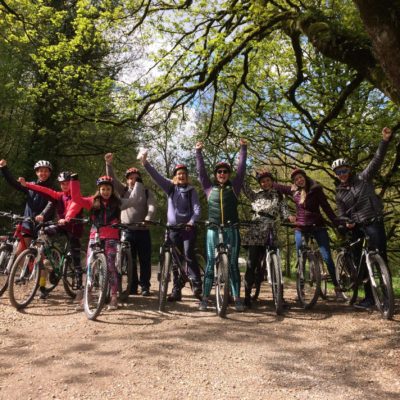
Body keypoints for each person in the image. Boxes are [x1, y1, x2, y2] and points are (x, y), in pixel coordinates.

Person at [332, 126, 393, 309]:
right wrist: (347, 222)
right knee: (361, 262)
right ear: (336, 175)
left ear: (349, 170)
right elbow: (341, 214)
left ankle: (387, 296)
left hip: (374, 222)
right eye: (338, 172)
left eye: (344, 170)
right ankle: (369, 298)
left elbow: (376, 160)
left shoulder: (363, 178)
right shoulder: (339, 194)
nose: (342, 174)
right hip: (356, 227)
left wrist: (384, 141)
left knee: (381, 256)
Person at [69, 174, 145, 310]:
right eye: (103, 189)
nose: (105, 192)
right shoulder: (92, 201)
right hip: (95, 236)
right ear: (99, 189)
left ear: (112, 190)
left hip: (111, 237)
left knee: (110, 267)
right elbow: (76, 198)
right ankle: (89, 295)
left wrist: (138, 183)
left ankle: (114, 296)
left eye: (108, 189)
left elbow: (133, 200)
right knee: (90, 266)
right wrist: (74, 181)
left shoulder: (118, 202)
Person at [273, 168, 346, 300]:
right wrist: (265, 179)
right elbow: (278, 186)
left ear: (305, 177)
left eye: (300, 177)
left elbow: (326, 207)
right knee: (300, 256)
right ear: (294, 182)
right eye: (296, 179)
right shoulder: (293, 191)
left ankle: (337, 288)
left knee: (327, 257)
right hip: (301, 227)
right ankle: (300, 290)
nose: (299, 180)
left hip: (317, 226)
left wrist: (337, 223)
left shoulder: (316, 189)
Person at [140, 153, 202, 302]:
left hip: (187, 228)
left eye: (184, 174)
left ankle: (197, 283)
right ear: (175, 176)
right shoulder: (171, 188)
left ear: (187, 177)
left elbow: (197, 208)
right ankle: (176, 290)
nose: (181, 176)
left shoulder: (192, 190)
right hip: (173, 229)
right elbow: (156, 176)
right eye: (179, 174)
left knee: (188, 253)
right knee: (176, 260)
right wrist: (145, 163)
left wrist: (192, 222)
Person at [18, 171, 85, 305]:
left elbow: (73, 208)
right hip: (61, 225)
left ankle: (80, 290)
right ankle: (49, 260)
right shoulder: (59, 196)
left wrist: (67, 219)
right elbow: (44, 190)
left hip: (73, 227)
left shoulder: (76, 196)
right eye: (62, 184)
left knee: (76, 256)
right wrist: (28, 185)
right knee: (44, 232)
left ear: (72, 184)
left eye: (67, 184)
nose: (64, 186)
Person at [196, 139, 247, 312]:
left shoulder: (235, 187)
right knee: (211, 263)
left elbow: (241, 170)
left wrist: (243, 148)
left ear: (228, 174)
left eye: (225, 171)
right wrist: (198, 153)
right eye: (219, 172)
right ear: (216, 174)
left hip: (232, 229)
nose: (222, 174)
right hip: (213, 228)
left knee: (232, 264)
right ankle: (204, 298)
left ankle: (237, 298)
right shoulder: (209, 189)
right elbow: (201, 173)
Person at [0, 159, 54, 299]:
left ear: (49, 173)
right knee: (19, 252)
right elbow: (13, 183)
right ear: (36, 172)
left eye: (46, 171)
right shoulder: (30, 185)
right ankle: (27, 269)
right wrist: (4, 168)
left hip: (42, 225)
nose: (43, 173)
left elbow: (51, 204)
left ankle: (42, 287)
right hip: (28, 223)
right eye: (40, 171)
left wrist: (43, 215)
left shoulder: (52, 189)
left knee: (41, 259)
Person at [105, 153, 157, 296]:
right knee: (129, 261)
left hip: (143, 230)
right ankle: (132, 287)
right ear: (127, 180)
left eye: (136, 178)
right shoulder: (122, 191)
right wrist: (108, 164)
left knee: (145, 260)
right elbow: (112, 181)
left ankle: (145, 286)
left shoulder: (146, 192)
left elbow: (152, 206)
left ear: (139, 179)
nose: (133, 180)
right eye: (130, 178)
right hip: (127, 231)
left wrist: (148, 217)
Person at [242, 170, 289, 308]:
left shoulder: (279, 196)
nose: (265, 183)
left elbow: (284, 211)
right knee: (251, 263)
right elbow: (243, 186)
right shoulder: (256, 195)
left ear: (272, 181)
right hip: (255, 231)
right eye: (263, 181)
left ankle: (280, 297)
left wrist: (287, 217)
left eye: (268, 180)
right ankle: (247, 296)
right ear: (260, 183)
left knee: (276, 263)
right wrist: (242, 168)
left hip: (271, 230)